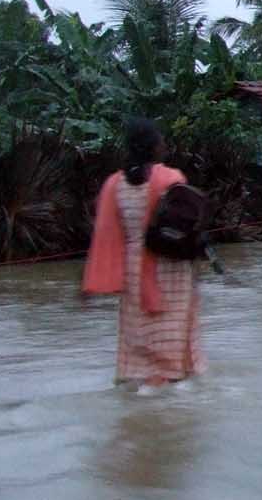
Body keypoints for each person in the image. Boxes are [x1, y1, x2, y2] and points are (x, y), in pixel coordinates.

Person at [81, 117, 205, 386]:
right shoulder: (172, 178)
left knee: (139, 337)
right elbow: (188, 222)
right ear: (152, 147)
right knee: (173, 332)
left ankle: (142, 387)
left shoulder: (114, 184)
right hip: (171, 268)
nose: (164, 144)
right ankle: (171, 385)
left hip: (133, 270)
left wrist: (91, 284)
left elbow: (104, 236)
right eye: (160, 139)